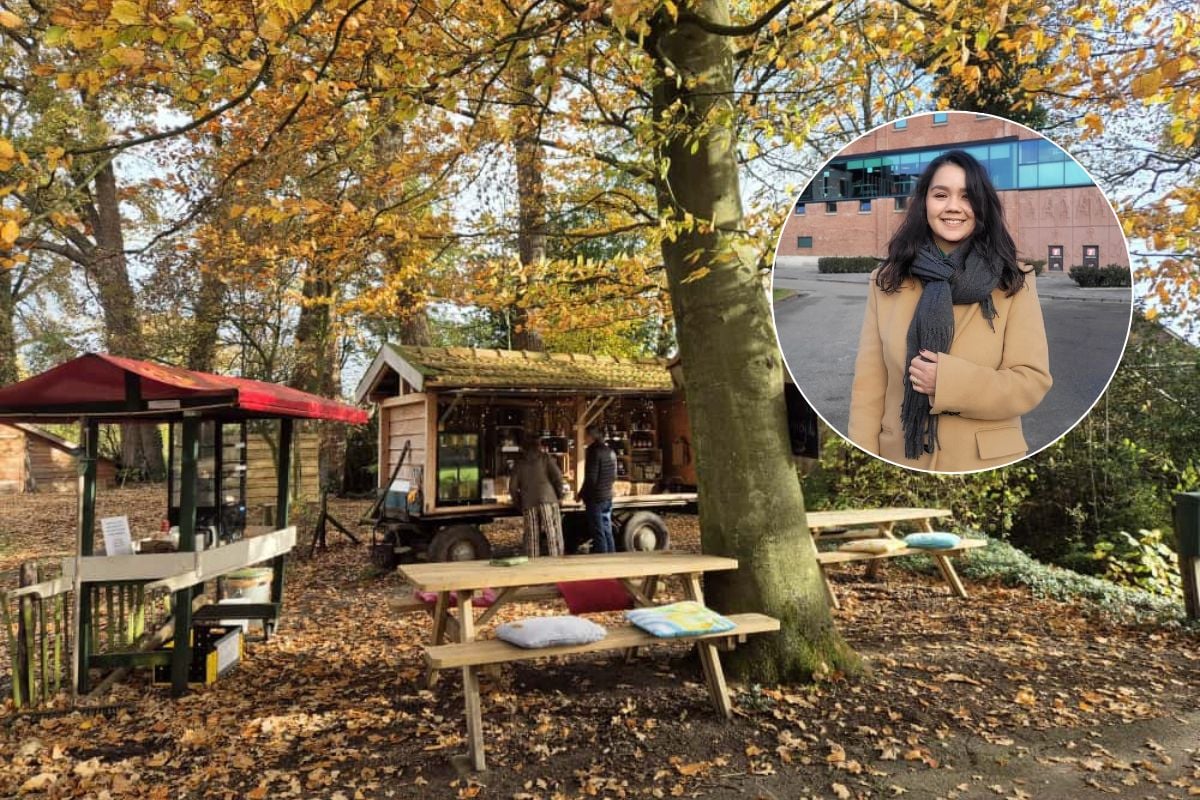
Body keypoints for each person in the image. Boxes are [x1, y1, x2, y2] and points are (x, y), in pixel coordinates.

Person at [847, 149, 1052, 472]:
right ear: (924, 202)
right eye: (941, 195)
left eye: (967, 197)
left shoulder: (1014, 280)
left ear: (982, 206)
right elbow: (870, 384)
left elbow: (1030, 382)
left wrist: (949, 382)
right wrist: (865, 459)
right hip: (899, 457)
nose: (953, 207)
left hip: (987, 465)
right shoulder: (887, 280)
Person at [509, 438, 565, 557]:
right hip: (548, 499)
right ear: (538, 446)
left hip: (528, 502)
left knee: (532, 537)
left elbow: (513, 487)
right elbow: (558, 478)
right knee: (552, 534)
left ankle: (534, 563)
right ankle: (556, 560)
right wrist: (560, 496)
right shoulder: (545, 458)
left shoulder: (519, 463)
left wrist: (519, 504)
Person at [577, 425, 617, 552]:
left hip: (596, 498)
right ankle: (612, 557)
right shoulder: (610, 451)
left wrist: (581, 494)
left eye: (585, 435)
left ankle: (603, 560)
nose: (584, 438)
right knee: (607, 530)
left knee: (598, 532)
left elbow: (591, 478)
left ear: (591, 436)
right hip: (607, 495)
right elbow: (614, 475)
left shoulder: (593, 451)